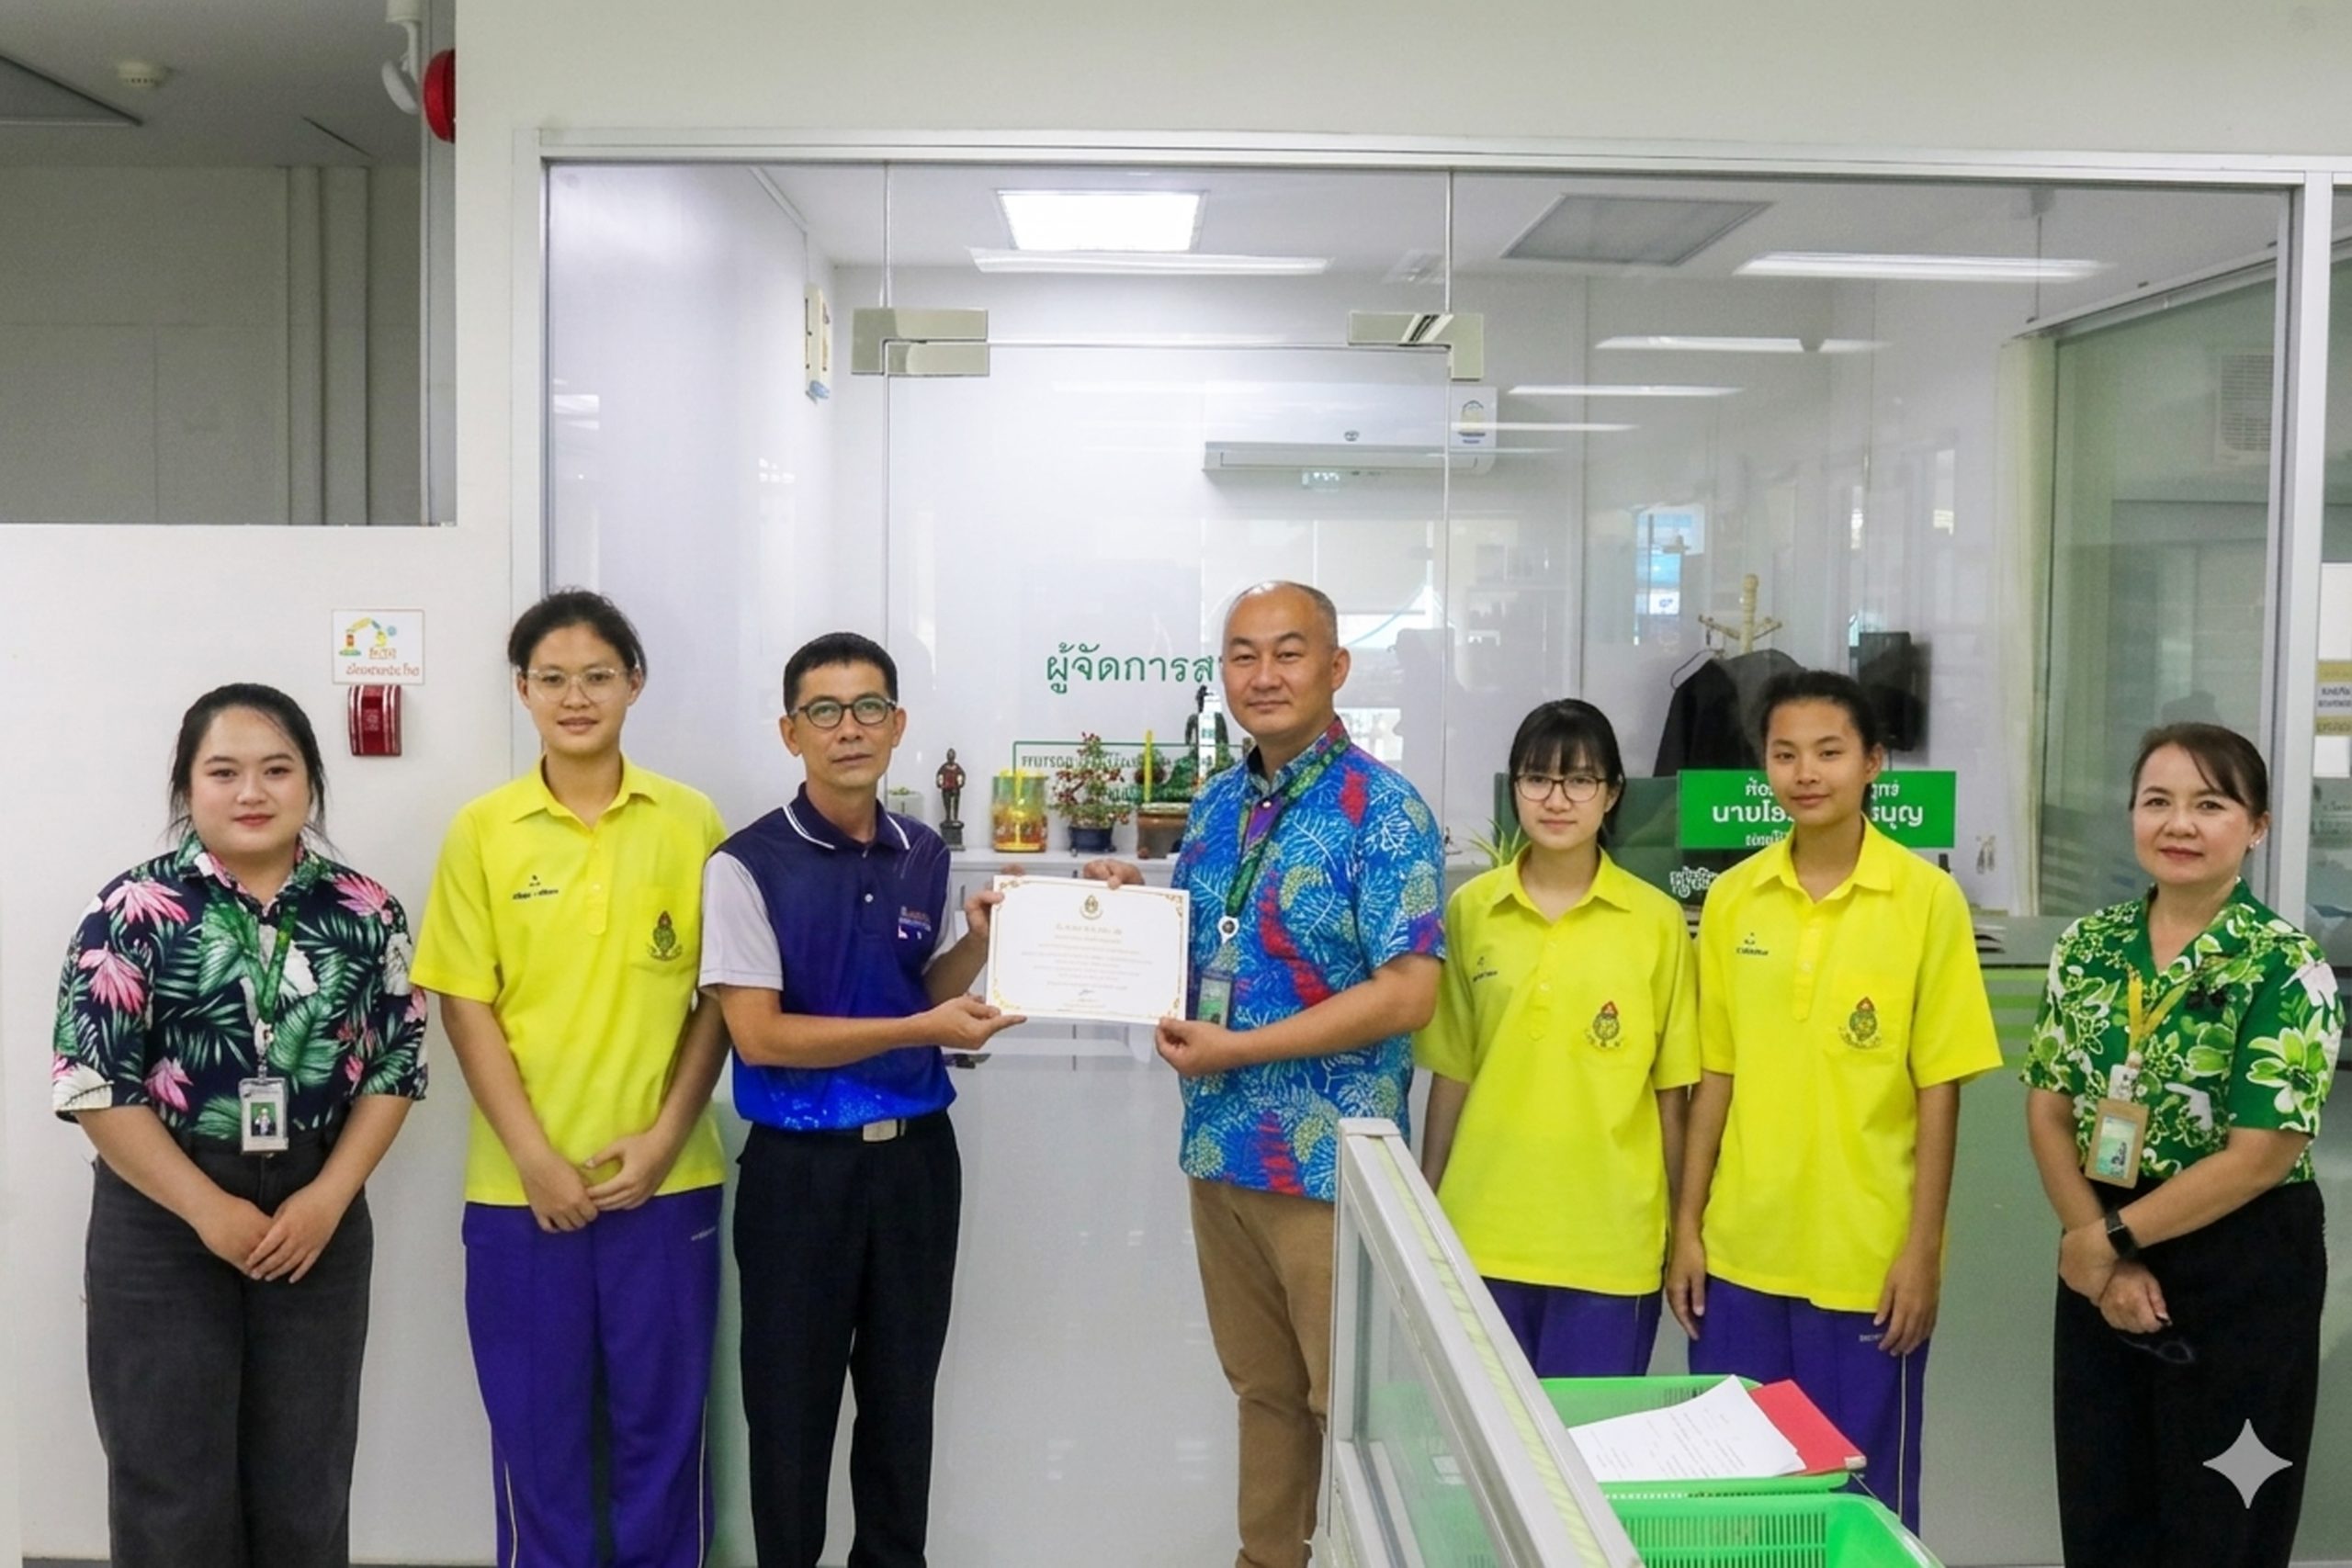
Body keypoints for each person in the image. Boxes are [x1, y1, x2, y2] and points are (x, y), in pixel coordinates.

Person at [1088, 581, 1444, 1568]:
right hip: (1221, 1151)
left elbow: (1409, 992)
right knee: (1263, 1392)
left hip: (1329, 1168)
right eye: (1243, 655)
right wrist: (1128, 906)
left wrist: (1240, 1050)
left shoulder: (1383, 808)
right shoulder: (1217, 801)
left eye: (1289, 652)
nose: (1265, 674)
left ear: (1336, 667)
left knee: (1349, 1408)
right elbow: (1211, 944)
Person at [52, 682, 426, 1568]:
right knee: (170, 1480)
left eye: (276, 769)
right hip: (163, 1215)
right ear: (188, 786)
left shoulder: (366, 911)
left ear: (311, 781)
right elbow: (94, 1084)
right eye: (223, 771)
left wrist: (329, 1197)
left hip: (315, 1209)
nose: (251, 791)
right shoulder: (131, 910)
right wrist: (207, 1209)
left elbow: (396, 1066)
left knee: (306, 1476)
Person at [410, 590, 730, 1568]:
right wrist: (534, 1158)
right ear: (523, 691)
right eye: (552, 678)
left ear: (635, 683)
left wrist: (665, 1140)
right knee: (536, 1437)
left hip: (667, 1185)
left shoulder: (691, 820)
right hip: (520, 1193)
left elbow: (721, 998)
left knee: (664, 1436)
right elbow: (464, 1005)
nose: (575, 697)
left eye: (597, 676)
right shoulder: (483, 830)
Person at [701, 631, 1022, 1568]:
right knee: (790, 1415)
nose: (850, 729)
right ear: (792, 732)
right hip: (801, 1175)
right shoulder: (745, 863)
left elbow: (917, 991)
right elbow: (759, 1036)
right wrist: (922, 1028)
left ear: (898, 723)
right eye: (826, 711)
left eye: (869, 708)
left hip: (917, 1166)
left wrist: (978, 945)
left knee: (901, 1406)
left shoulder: (921, 851)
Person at [1665, 668, 1999, 1534]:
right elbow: (1715, 1079)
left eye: (1828, 752)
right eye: (1785, 754)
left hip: (1865, 1261)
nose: (1806, 773)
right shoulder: (1733, 898)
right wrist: (1688, 1227)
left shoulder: (1926, 901)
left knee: (1859, 1504)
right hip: (1742, 1254)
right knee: (1740, 1502)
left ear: (1872, 762)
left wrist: (1921, 1251)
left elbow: (1939, 1090)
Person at [2023, 724, 2337, 1568]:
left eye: (2211, 804)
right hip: (2100, 1233)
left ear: (2257, 825)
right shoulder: (2088, 948)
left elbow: (2262, 1154)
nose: (2180, 823)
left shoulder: (2285, 965)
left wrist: (2109, 1241)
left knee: (2221, 1522)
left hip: (2241, 1255)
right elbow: (2048, 1109)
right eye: (2158, 801)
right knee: (2104, 1503)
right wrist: (2099, 1251)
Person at [1415, 698, 1697, 1376]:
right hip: (1482, 1234)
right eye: (1537, 778)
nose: (1557, 799)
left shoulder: (1658, 922)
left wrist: (1684, 1230)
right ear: (1515, 788)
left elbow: (1671, 1098)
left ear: (1613, 793)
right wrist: (1427, 1207)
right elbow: (1453, 1075)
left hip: (1611, 1246)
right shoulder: (1472, 910)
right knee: (1487, 1436)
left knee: (1587, 1438)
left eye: (1580, 780)